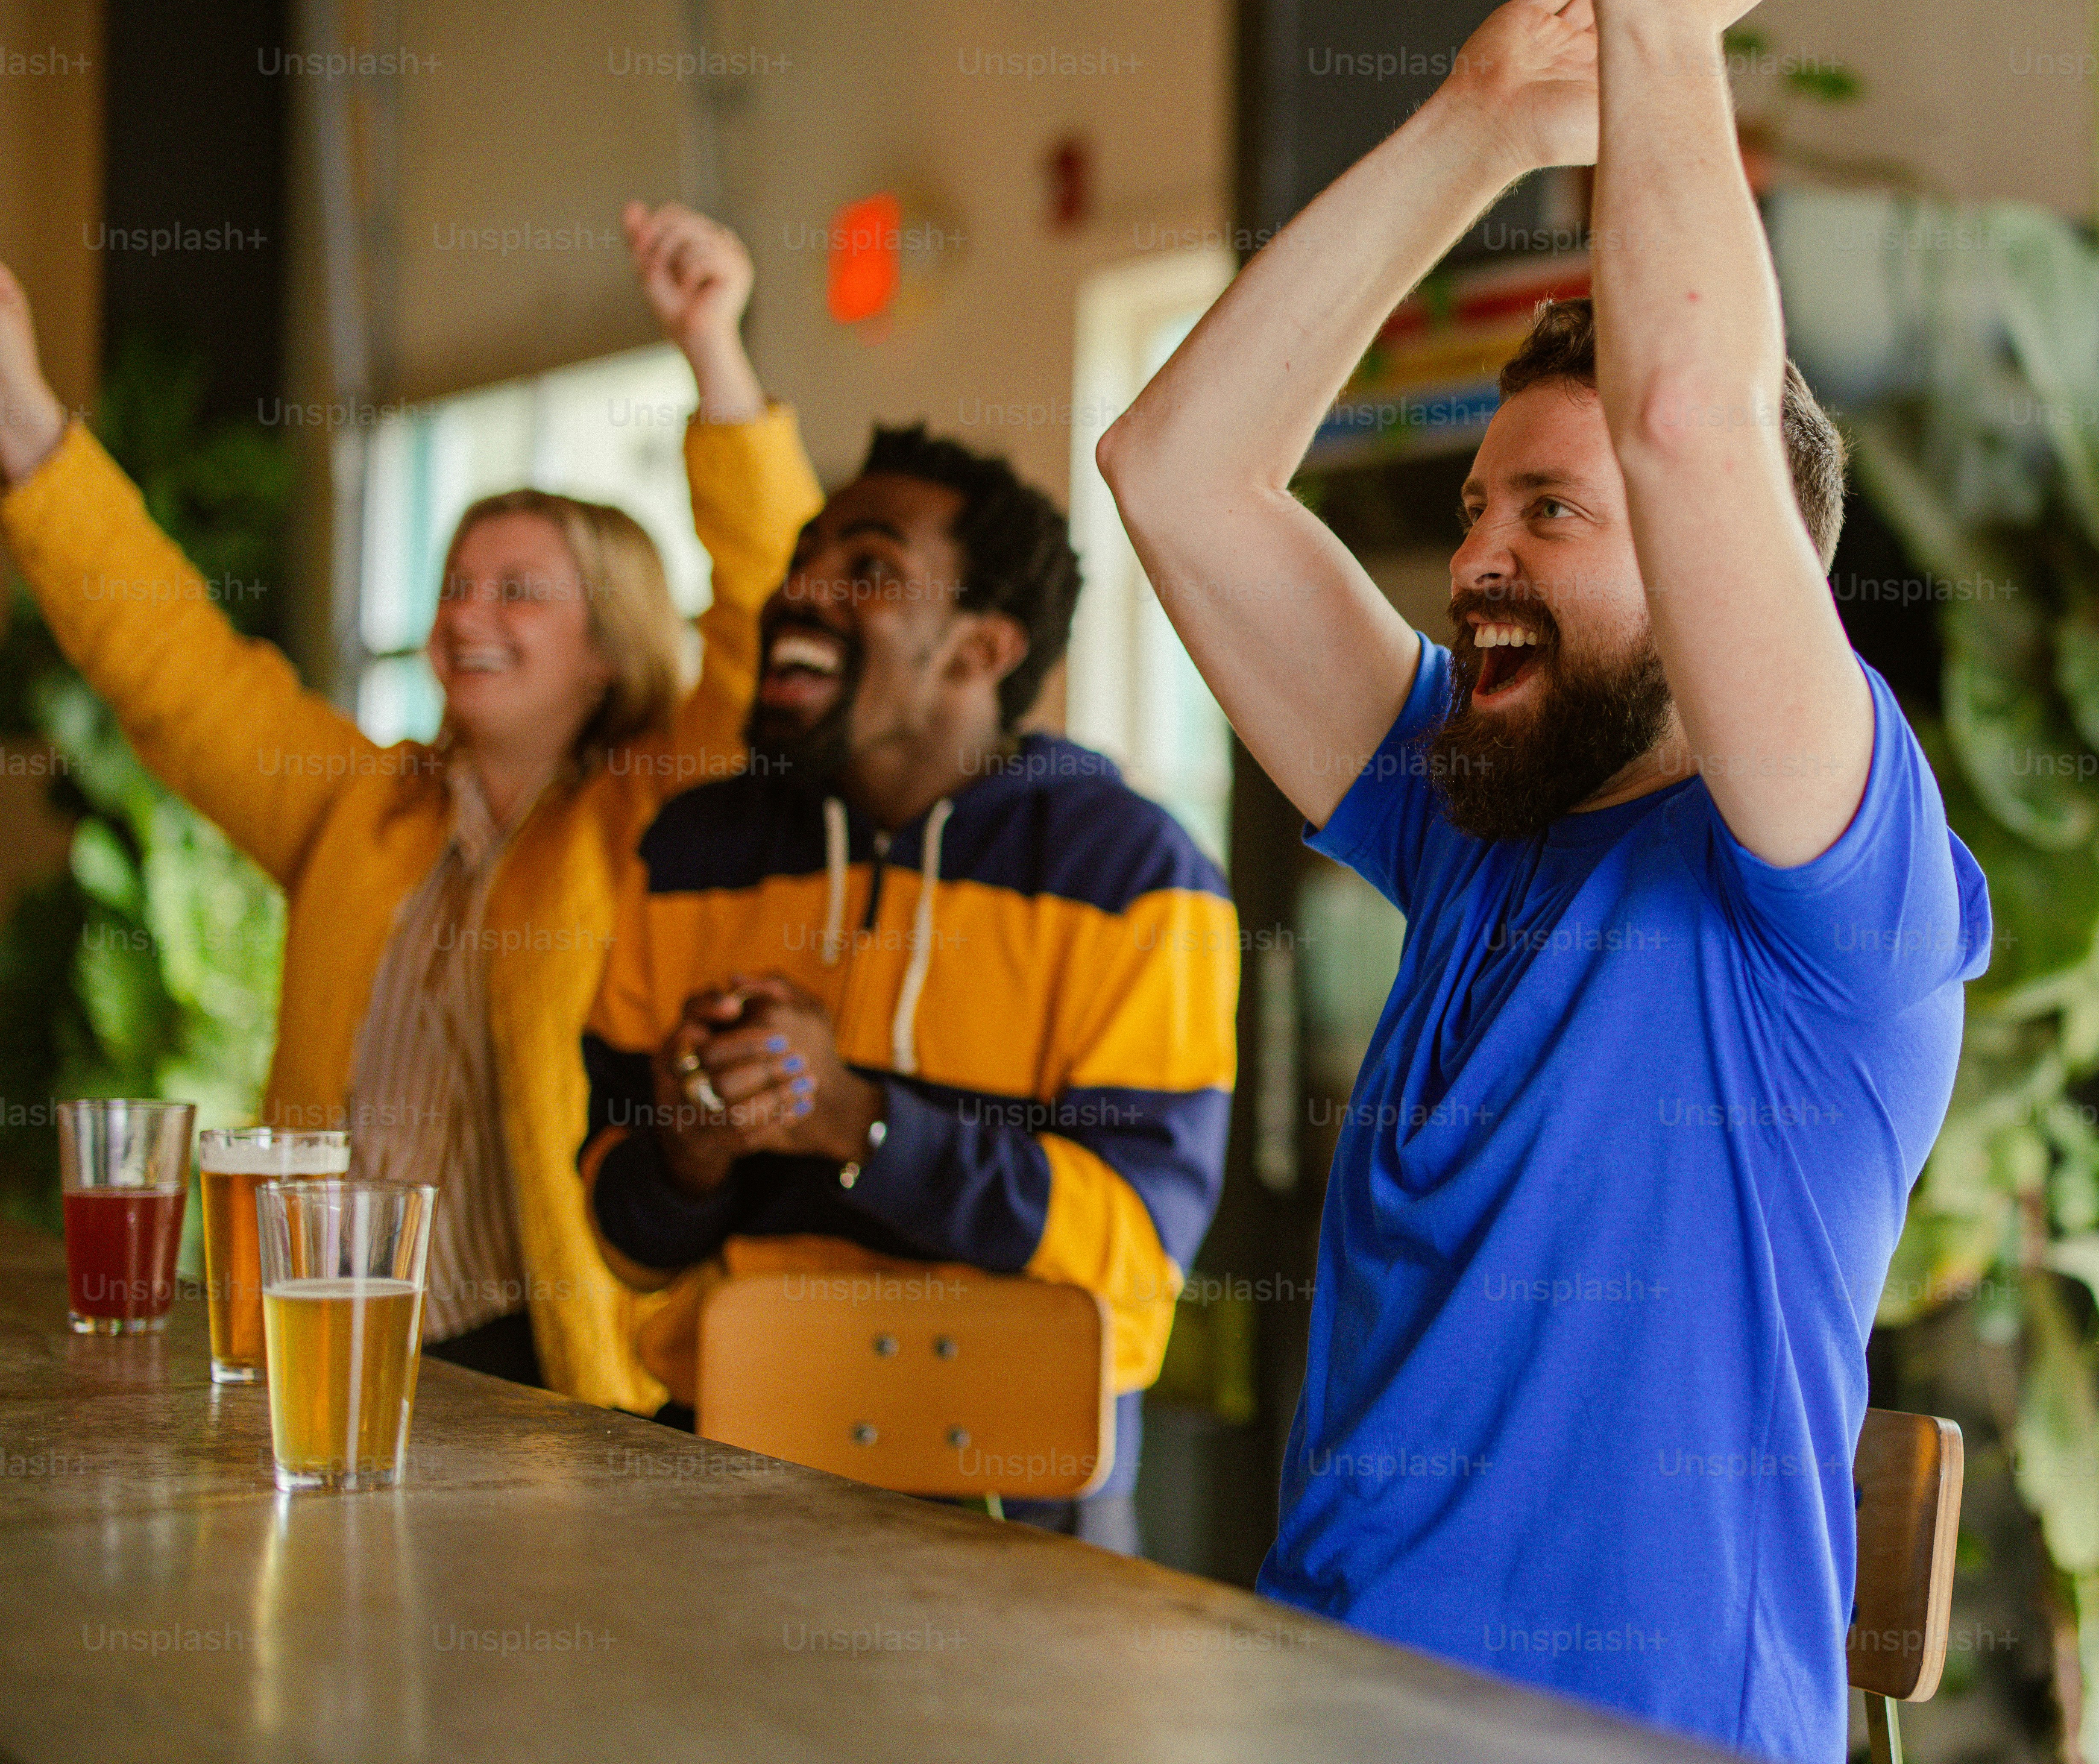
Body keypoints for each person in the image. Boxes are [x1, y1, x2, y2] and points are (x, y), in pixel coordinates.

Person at [1096, 0, 1985, 1764]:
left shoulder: (1829, 895)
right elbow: (1177, 470)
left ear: (1710, 571)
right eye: (1478, 508)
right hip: (1326, 1736)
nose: (1477, 559)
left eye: (1549, 517)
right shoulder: (1467, 812)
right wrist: (1486, 121)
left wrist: (1667, 45)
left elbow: (1693, 422)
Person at [0, 205, 816, 1401]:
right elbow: (170, 666)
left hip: (558, 1386)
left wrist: (715, 351)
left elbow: (769, 620)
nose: (466, 617)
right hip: (330, 1351)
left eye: (519, 592)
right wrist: (22, 416)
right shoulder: (361, 809)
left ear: (608, 644)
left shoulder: (658, 814)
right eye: (456, 586)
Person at [576, 423, 1235, 1552]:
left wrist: (857, 1121)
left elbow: (1132, 1252)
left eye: (867, 569)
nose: (801, 590)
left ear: (982, 647)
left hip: (1020, 1523)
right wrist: (686, 1154)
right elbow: (625, 1237)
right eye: (804, 556)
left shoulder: (1135, 876)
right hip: (712, 1493)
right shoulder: (691, 850)